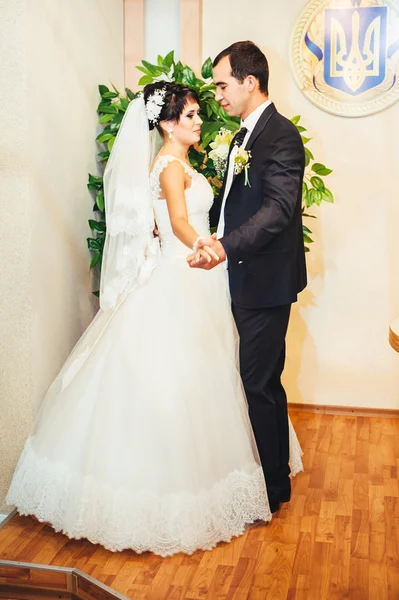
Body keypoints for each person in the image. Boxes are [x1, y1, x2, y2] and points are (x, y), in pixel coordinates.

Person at [7, 82, 303, 558]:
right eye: (189, 116)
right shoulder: (168, 166)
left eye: (197, 114)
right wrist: (205, 247)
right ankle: (174, 492)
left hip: (203, 273)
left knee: (218, 376)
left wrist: (214, 250)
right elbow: (182, 223)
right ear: (166, 124)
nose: (198, 121)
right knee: (180, 379)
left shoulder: (185, 162)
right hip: (184, 272)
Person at [188, 42, 307, 513]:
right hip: (240, 276)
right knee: (260, 382)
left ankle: (273, 490)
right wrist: (205, 233)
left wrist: (224, 247)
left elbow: (278, 211)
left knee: (258, 383)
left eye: (222, 83)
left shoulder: (281, 136)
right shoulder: (241, 138)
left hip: (266, 281)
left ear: (249, 81)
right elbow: (232, 204)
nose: (218, 93)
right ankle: (271, 478)